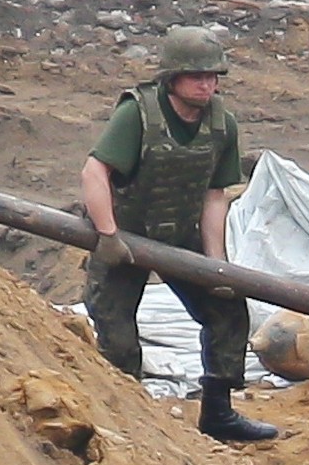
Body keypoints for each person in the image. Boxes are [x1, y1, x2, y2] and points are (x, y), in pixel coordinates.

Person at [80, 26, 278, 442]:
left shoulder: (221, 123)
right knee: (116, 338)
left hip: (179, 234)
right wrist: (109, 235)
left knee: (226, 312)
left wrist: (214, 264)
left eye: (213, 76)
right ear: (172, 78)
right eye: (196, 76)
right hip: (125, 235)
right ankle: (124, 424)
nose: (207, 84)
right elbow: (95, 171)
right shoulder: (138, 114)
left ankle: (219, 413)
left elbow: (214, 194)